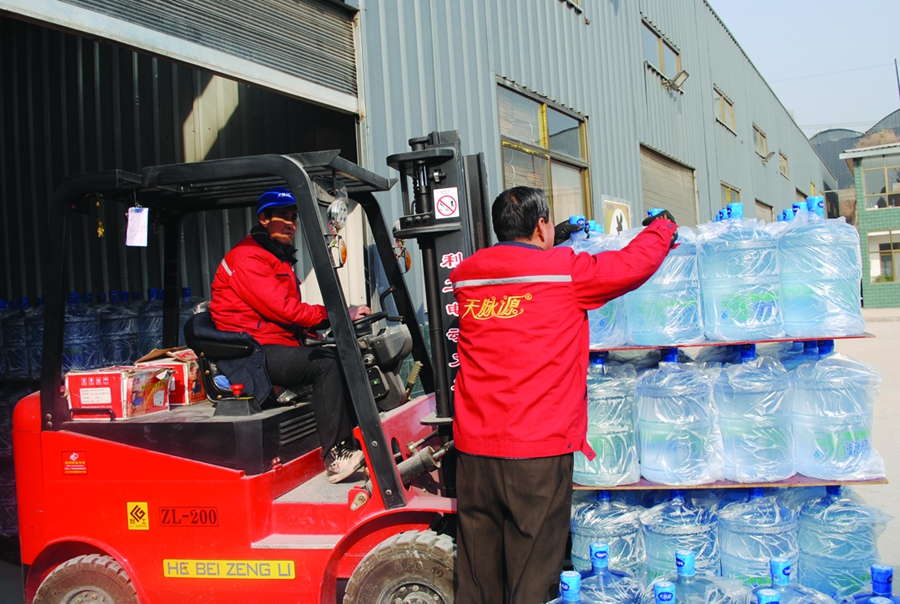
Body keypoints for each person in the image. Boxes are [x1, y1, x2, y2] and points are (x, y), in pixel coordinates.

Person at [449, 186, 677, 604]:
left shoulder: (469, 277)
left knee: (478, 576)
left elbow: (517, 282)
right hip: (536, 451)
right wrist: (662, 229)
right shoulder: (565, 272)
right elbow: (632, 264)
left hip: (473, 453)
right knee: (533, 571)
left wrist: (561, 237)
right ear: (540, 226)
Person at [209, 187, 371, 483]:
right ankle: (336, 456)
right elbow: (283, 309)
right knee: (327, 363)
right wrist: (336, 314)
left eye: (294, 218)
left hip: (272, 344)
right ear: (263, 219)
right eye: (283, 217)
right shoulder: (248, 257)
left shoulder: (275, 258)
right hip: (252, 354)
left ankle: (361, 442)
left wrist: (314, 330)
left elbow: (284, 314)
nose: (290, 224)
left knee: (345, 354)